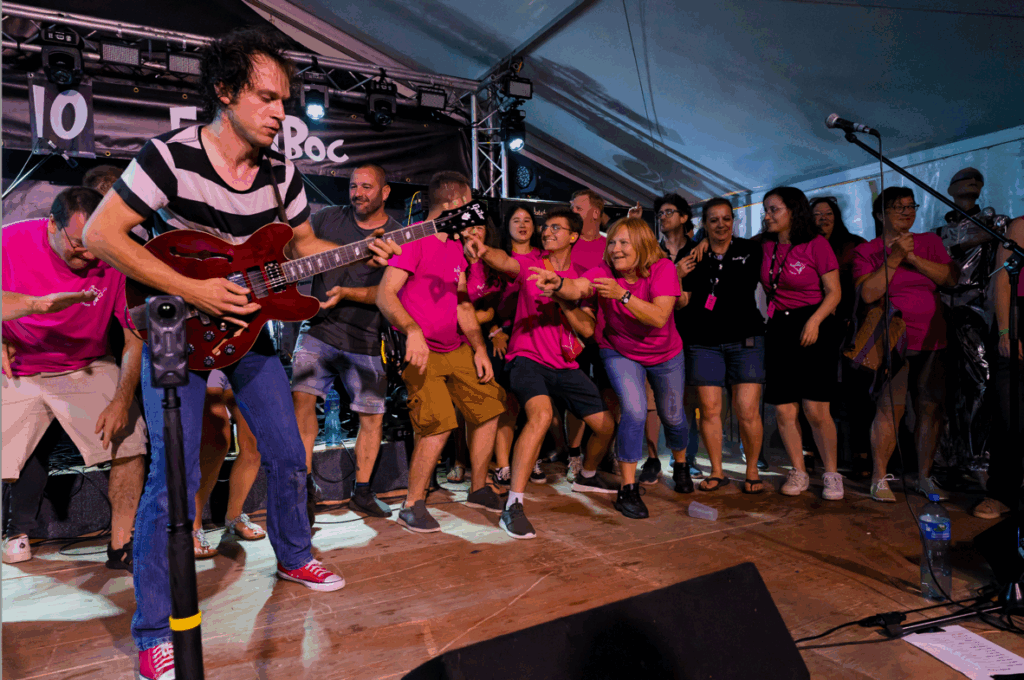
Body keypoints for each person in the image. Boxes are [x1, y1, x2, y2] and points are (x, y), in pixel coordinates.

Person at [83, 28, 397, 677]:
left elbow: (303, 243)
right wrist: (192, 287)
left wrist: (359, 252)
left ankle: (292, 552)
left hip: (249, 332)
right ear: (225, 92)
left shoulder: (282, 171)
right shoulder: (169, 158)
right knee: (176, 482)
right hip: (178, 334)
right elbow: (101, 233)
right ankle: (153, 631)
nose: (280, 112)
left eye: (285, 100)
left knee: (286, 451)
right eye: (266, 97)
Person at [2, 187, 147, 567]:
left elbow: (134, 338)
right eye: (78, 243)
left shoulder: (114, 252)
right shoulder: (10, 240)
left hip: (86, 364)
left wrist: (120, 400)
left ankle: (121, 545)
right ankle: (13, 530)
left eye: (94, 243)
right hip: (19, 365)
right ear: (52, 224)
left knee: (131, 442)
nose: (88, 253)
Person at [466, 208, 615, 538]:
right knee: (542, 415)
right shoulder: (531, 264)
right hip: (527, 358)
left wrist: (560, 298)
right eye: (545, 227)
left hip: (565, 365)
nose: (546, 232)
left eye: (556, 228)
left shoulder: (582, 276)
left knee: (605, 425)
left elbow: (588, 329)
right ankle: (513, 505)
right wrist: (482, 249)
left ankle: (587, 476)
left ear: (573, 236)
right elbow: (505, 261)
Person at [376, 171, 507, 533]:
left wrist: (479, 348)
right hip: (422, 353)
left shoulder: (456, 245)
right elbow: (384, 295)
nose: (474, 211)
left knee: (490, 407)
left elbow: (463, 304)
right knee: (438, 424)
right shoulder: (412, 240)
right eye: (469, 204)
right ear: (454, 205)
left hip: (456, 348)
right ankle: (412, 504)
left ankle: (478, 488)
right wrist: (412, 331)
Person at [531, 216, 688, 518]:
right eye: (612, 242)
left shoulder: (663, 268)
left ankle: (680, 463)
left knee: (673, 416)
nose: (615, 248)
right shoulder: (603, 271)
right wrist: (560, 284)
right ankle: (628, 489)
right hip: (619, 351)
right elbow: (579, 286)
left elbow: (658, 317)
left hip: (665, 353)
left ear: (641, 244)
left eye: (623, 242)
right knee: (634, 411)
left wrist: (622, 295)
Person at [291, 164, 399, 524]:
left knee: (372, 416)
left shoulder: (398, 235)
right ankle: (304, 490)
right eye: (353, 186)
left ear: (385, 193)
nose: (358, 193)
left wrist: (348, 293)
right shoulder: (326, 219)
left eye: (367, 187)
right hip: (319, 329)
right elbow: (296, 253)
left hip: (367, 339)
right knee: (300, 398)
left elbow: (391, 295)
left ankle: (363, 492)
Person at [852, 187, 958, 502]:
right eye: (898, 208)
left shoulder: (929, 242)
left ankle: (924, 477)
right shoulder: (867, 251)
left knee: (930, 408)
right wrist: (896, 258)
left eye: (911, 206)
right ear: (880, 214)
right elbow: (867, 294)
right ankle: (879, 478)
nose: (906, 212)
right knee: (890, 409)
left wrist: (913, 256)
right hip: (893, 341)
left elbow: (950, 279)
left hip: (933, 338)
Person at [675, 198, 766, 494]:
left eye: (726, 219)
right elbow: (683, 299)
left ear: (733, 221)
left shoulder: (749, 250)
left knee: (747, 410)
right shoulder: (691, 253)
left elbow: (752, 284)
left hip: (746, 339)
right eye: (713, 220)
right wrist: (676, 276)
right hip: (704, 342)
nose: (721, 225)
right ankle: (716, 471)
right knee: (710, 410)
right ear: (704, 223)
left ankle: (752, 470)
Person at [758, 186, 844, 500]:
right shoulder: (765, 245)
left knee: (816, 409)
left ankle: (832, 474)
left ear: (793, 211)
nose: (767, 216)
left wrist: (815, 320)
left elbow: (834, 292)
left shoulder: (816, 244)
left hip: (814, 324)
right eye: (766, 210)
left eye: (774, 209)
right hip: (779, 325)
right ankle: (799, 471)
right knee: (783, 409)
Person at [466, 204, 542, 486]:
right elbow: (486, 303)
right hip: (499, 337)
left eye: (527, 220)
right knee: (503, 402)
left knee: (535, 405)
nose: (522, 225)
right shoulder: (496, 257)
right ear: (505, 226)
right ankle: (503, 465)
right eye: (516, 220)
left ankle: (529, 459)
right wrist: (496, 329)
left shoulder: (542, 257)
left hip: (534, 338)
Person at [974, 215, 1024, 518]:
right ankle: (1001, 492)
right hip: (1018, 316)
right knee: (1011, 414)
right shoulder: (1020, 227)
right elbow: (1001, 280)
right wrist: (1005, 330)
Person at [566, 189, 615, 480]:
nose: (573, 212)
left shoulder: (612, 245)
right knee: (577, 396)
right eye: (572, 207)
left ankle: (604, 451)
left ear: (595, 212)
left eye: (578, 207)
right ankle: (573, 454)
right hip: (575, 332)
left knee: (609, 394)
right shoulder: (568, 245)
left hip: (608, 332)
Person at [192, 369, 264, 559]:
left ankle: (234, 516)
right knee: (217, 437)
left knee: (254, 435)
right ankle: (193, 524)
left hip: (240, 355)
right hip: (206, 357)